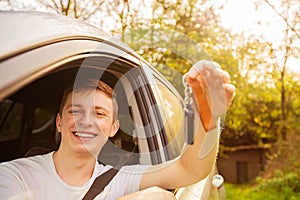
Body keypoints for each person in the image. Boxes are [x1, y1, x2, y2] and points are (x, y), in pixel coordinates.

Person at [0, 60, 236, 199]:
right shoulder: (14, 175)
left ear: (113, 128)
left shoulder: (117, 179)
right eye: (75, 111)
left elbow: (190, 169)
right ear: (59, 122)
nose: (86, 121)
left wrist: (208, 119)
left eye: (99, 113)